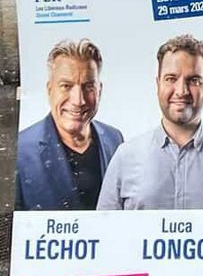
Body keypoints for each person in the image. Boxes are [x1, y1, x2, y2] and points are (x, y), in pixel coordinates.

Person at [97, 34, 203, 211]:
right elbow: (103, 226)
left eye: (194, 80)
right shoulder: (126, 156)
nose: (181, 91)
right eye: (171, 79)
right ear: (158, 84)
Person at [15, 39, 124, 212]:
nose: (78, 100)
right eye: (66, 86)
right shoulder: (19, 150)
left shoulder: (115, 139)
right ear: (50, 90)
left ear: (99, 90)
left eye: (88, 87)